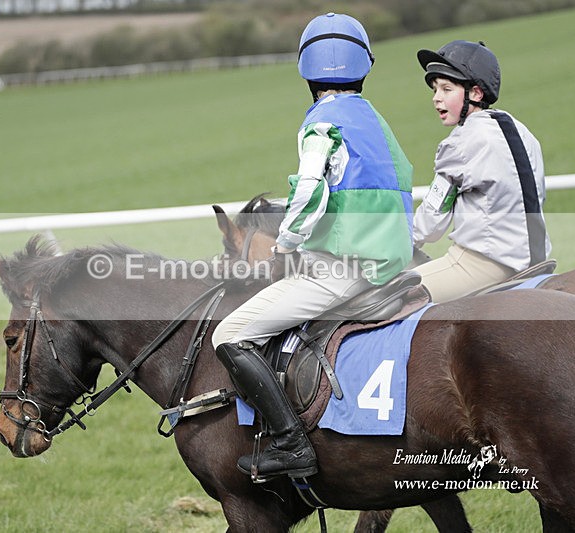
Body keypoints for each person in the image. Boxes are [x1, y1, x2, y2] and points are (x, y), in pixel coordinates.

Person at [211, 13, 414, 480]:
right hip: (390, 267)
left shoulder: (321, 122)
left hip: (340, 273)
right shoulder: (377, 122)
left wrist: (286, 241)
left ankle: (290, 445)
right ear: (365, 66)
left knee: (229, 334)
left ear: (306, 70)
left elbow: (311, 194)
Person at [412, 40, 551, 303]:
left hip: (482, 267)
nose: (436, 98)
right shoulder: (522, 131)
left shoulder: (461, 142)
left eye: (446, 89)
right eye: (434, 89)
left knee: (391, 295)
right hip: (538, 261)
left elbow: (430, 226)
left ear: (475, 93)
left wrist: (387, 246)